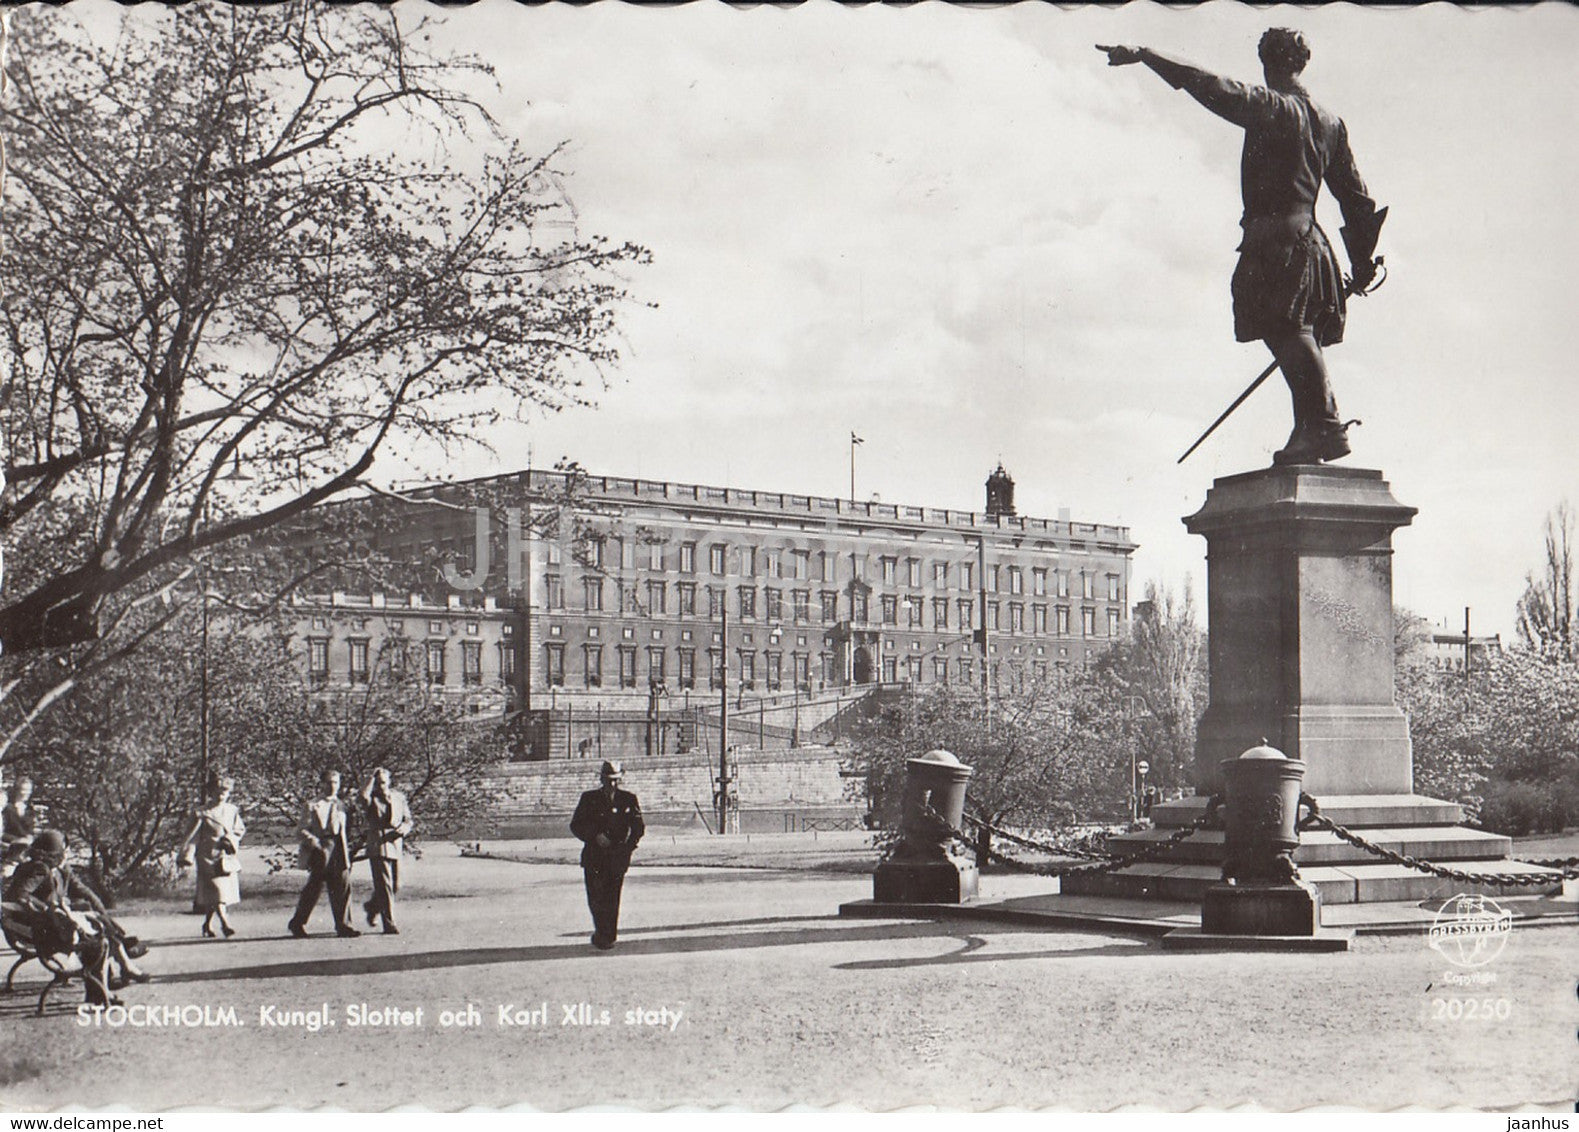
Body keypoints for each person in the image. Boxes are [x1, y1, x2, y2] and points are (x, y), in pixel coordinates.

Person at [1097, 29, 1386, 466]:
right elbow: (1357, 198)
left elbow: (1209, 84)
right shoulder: (1330, 122)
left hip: (1277, 243)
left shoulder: (1274, 107)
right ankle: (1309, 428)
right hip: (1311, 240)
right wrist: (1362, 260)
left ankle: (1324, 425)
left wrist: (1147, 55)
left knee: (1290, 331)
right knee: (1292, 333)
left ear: (1268, 63)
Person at [4, 831, 150, 1004]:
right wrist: (50, 908)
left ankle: (116, 971)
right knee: (96, 940)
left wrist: (99, 912)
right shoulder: (39, 869)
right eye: (64, 849)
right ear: (55, 852)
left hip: (50, 925)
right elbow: (19, 895)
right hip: (41, 929)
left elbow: (84, 892)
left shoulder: (58, 869)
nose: (67, 853)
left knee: (96, 927)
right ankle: (112, 974)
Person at [569, 761, 644, 951]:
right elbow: (576, 825)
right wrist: (594, 836)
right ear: (601, 779)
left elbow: (638, 828)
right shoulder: (589, 798)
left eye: (616, 781)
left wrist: (627, 848)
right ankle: (601, 930)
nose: (612, 785)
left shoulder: (628, 799)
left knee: (612, 897)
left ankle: (607, 936)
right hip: (594, 856)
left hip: (617, 857)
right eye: (609, 781)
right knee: (595, 897)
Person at [287, 770, 360, 939]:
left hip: (338, 850)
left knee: (342, 887)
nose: (332, 786)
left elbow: (345, 830)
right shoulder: (312, 805)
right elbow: (300, 831)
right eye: (328, 782)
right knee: (314, 889)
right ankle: (297, 923)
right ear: (321, 784)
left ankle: (344, 925)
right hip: (320, 850)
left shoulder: (342, 805)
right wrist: (314, 842)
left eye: (335, 782)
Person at [178, 774, 246, 939]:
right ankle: (225, 922)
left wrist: (230, 840)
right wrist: (186, 855)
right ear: (210, 792)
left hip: (225, 856)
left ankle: (207, 924)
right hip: (207, 857)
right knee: (217, 891)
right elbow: (191, 836)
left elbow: (239, 830)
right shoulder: (201, 812)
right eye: (217, 790)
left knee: (215, 894)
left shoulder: (232, 810)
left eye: (225, 790)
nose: (221, 794)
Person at [359, 767, 413, 935]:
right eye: (378, 782)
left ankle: (372, 907)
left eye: (383, 781)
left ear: (389, 781)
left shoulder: (399, 797)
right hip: (378, 843)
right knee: (384, 885)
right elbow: (361, 797)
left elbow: (408, 820)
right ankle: (389, 923)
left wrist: (404, 829)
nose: (381, 785)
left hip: (395, 842)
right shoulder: (370, 799)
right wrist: (369, 779)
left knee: (397, 884)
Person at [3, 775, 38, 876]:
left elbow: (32, 831)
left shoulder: (30, 810)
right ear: (17, 790)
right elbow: (2, 832)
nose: (27, 793)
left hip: (27, 852)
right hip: (10, 851)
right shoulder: (7, 809)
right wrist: (17, 840)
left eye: (29, 790)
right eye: (24, 790)